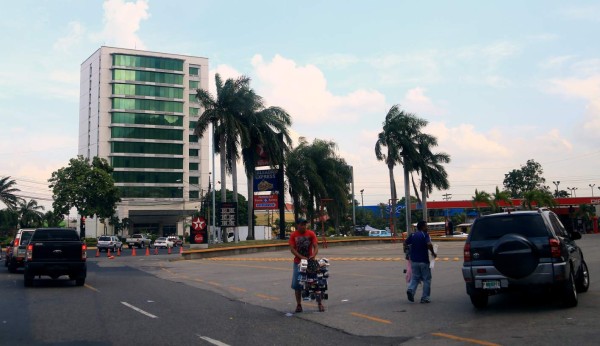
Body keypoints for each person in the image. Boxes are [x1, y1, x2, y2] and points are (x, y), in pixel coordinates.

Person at [289, 218, 322, 312]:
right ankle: (299, 305)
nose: (304, 226)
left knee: (315, 282)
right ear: (297, 225)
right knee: (297, 284)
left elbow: (316, 246)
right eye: (302, 224)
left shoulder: (311, 234)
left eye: (305, 224)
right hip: (298, 262)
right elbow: (292, 249)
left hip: (310, 261)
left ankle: (320, 303)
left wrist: (313, 255)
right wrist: (301, 257)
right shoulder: (293, 235)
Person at [405, 220, 437, 303]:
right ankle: (425, 297)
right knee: (427, 279)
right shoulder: (425, 235)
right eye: (426, 226)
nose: (427, 228)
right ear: (422, 227)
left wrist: (407, 251)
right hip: (423, 261)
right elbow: (429, 244)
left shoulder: (412, 235)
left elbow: (405, 243)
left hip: (414, 261)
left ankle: (411, 290)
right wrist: (433, 253)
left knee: (415, 278)